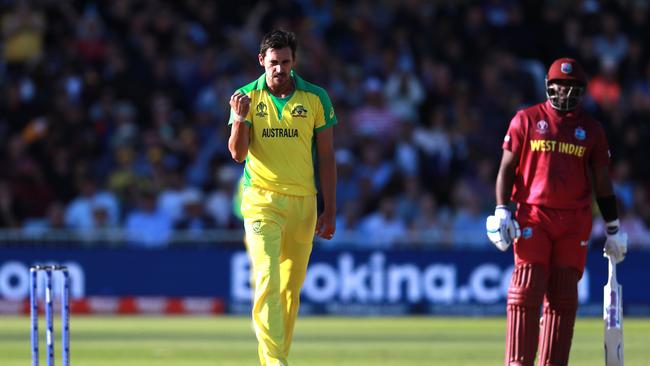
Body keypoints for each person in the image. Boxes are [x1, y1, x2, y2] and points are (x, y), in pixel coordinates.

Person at [485, 57, 628, 366]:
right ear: (549, 86)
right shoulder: (526, 119)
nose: (565, 92)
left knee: (563, 297)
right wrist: (501, 210)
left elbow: (602, 183)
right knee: (526, 289)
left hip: (574, 222)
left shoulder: (591, 130)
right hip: (533, 215)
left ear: (582, 90)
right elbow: (506, 169)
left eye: (572, 86)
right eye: (560, 86)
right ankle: (517, 363)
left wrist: (614, 228)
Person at [227, 29, 337, 366]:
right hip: (262, 201)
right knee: (266, 279)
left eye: (285, 62)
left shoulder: (316, 98)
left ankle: (276, 358)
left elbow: (328, 156)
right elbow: (237, 154)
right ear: (261, 61)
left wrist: (330, 208)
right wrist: (240, 119)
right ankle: (276, 363)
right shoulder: (245, 97)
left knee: (290, 291)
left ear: (294, 61)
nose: (279, 69)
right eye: (273, 62)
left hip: (303, 203)